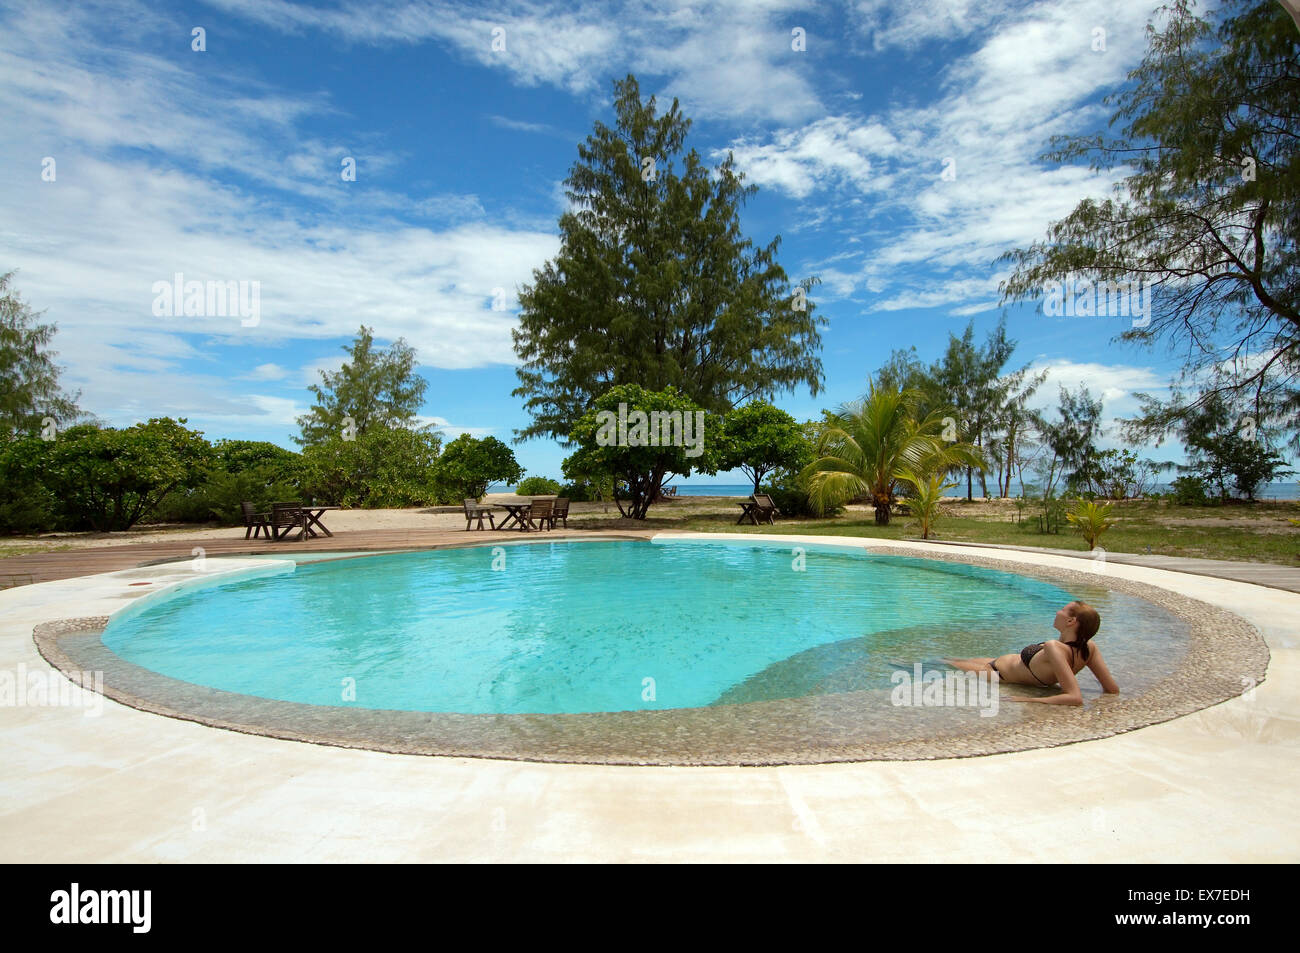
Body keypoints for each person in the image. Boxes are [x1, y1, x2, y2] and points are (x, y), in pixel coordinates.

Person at [947, 601, 1119, 706]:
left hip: (997, 673)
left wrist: (1029, 700)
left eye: (1062, 609)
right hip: (998, 662)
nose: (1057, 611)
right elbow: (1112, 689)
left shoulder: (1054, 647)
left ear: (1070, 621)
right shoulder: (1089, 648)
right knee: (952, 659)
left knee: (944, 662)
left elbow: (1074, 697)